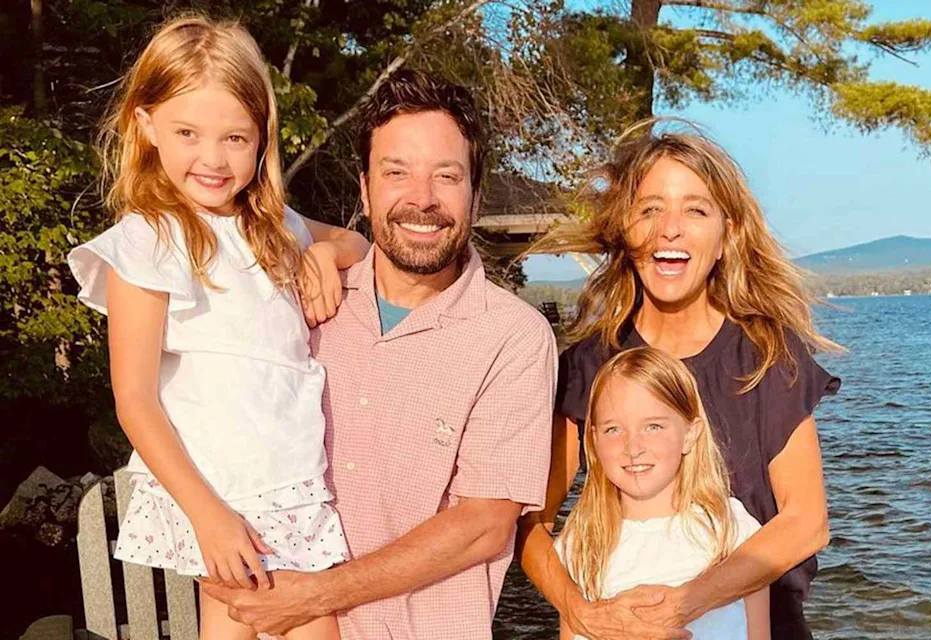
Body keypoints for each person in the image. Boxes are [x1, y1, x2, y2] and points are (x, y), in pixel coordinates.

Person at [201, 70, 558, 640]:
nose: (422, 198)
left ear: (475, 194)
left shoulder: (514, 338)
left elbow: (485, 526)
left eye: (447, 175)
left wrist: (318, 595)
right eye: (397, 173)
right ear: (365, 191)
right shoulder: (295, 301)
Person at [67, 15, 369, 640]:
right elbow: (134, 397)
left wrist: (323, 254)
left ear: (262, 137)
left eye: (234, 137)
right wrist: (208, 515)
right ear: (146, 124)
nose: (212, 158)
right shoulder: (147, 240)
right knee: (304, 623)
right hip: (221, 489)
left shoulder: (278, 226)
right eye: (188, 133)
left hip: (292, 479)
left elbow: (358, 244)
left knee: (241, 625)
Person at [518, 120, 841, 640]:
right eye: (650, 209)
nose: (670, 228)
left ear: (726, 235)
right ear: (625, 230)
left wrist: (686, 605)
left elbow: (807, 522)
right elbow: (531, 520)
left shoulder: (767, 358)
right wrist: (579, 611)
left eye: (695, 210)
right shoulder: (589, 365)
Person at [555, 346, 768, 640]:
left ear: (690, 434)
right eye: (613, 429)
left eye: (653, 426)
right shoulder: (582, 540)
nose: (633, 447)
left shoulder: (729, 528)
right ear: (593, 440)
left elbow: (759, 632)